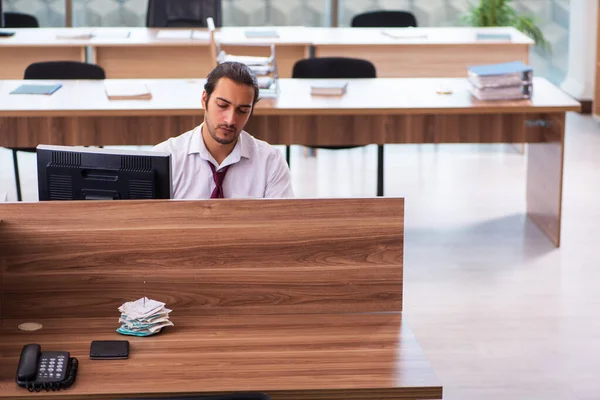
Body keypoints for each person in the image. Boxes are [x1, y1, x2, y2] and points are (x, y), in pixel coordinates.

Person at [154, 62, 293, 199]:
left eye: (242, 111)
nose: (230, 120)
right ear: (204, 100)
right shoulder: (165, 159)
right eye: (222, 105)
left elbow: (281, 221)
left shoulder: (271, 163)